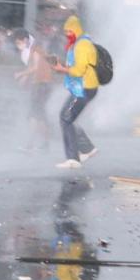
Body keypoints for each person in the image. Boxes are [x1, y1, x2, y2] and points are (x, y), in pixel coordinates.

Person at [51, 15, 99, 169]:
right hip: (83, 87)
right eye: (65, 32)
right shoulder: (79, 44)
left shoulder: (82, 45)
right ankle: (87, 149)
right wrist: (62, 66)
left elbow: (79, 70)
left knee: (65, 117)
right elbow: (76, 66)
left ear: (76, 30)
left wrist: (61, 69)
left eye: (69, 31)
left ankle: (73, 159)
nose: (67, 35)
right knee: (68, 117)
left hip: (84, 88)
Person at [13, 28, 54, 150]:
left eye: (18, 42)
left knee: (34, 115)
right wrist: (25, 78)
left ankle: (30, 144)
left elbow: (36, 67)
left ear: (25, 40)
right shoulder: (34, 49)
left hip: (41, 85)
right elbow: (34, 67)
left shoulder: (35, 50)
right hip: (43, 85)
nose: (17, 45)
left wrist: (21, 74)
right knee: (39, 115)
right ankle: (45, 144)